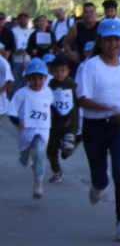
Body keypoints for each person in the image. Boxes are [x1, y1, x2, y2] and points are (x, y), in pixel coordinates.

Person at [77, 19, 120, 242]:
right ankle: (98, 184)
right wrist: (110, 109)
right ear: (100, 41)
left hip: (119, 127)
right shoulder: (90, 67)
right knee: (100, 177)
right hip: (94, 126)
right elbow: (82, 100)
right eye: (108, 39)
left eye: (117, 39)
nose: (113, 44)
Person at [10, 57, 52, 198]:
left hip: (42, 130)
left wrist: (63, 119)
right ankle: (28, 159)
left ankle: (38, 183)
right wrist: (17, 122)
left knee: (39, 151)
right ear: (27, 78)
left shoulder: (48, 92)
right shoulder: (22, 93)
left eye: (40, 78)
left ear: (45, 78)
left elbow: (50, 108)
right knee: (26, 158)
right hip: (26, 131)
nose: (37, 82)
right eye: (33, 78)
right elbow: (12, 111)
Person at [45, 55, 78, 183]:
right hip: (54, 125)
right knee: (51, 150)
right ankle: (57, 171)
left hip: (71, 123)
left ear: (68, 71)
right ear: (51, 71)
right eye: (56, 71)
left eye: (62, 71)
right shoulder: (48, 86)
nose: (59, 74)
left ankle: (67, 150)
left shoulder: (73, 86)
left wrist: (79, 131)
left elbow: (79, 104)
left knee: (68, 146)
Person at [61, 2, 101, 67]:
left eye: (91, 12)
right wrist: (70, 53)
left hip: (99, 63)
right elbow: (65, 42)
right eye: (86, 12)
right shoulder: (75, 28)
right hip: (82, 64)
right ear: (82, 14)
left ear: (96, 14)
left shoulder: (101, 26)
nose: (89, 14)